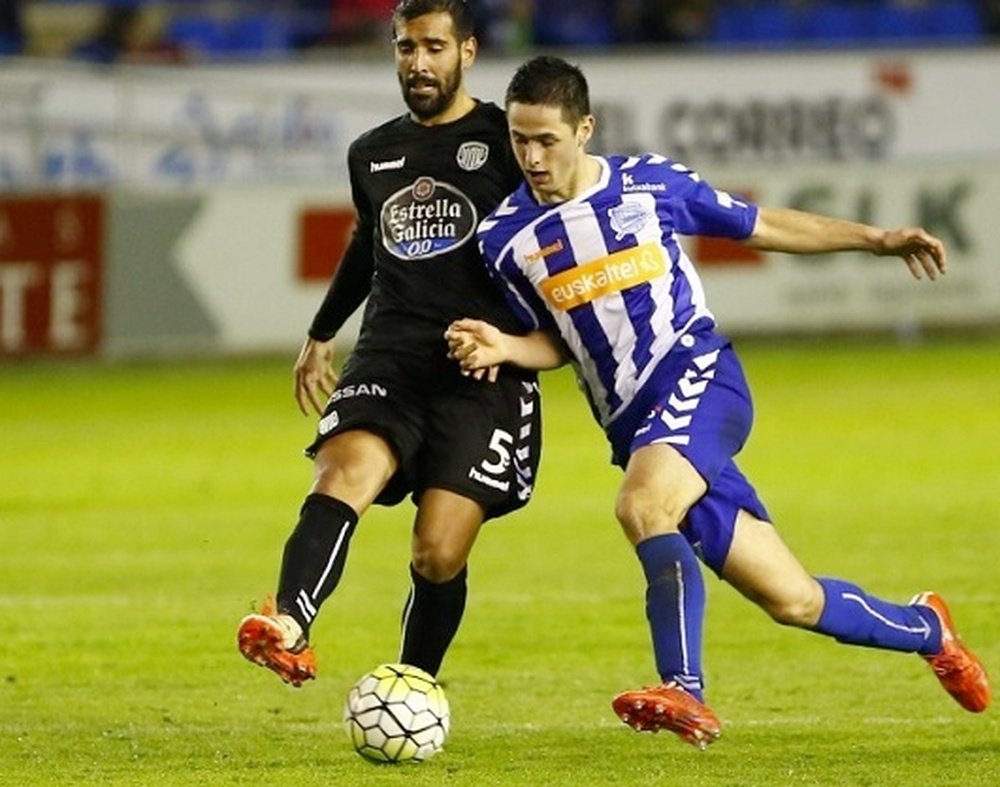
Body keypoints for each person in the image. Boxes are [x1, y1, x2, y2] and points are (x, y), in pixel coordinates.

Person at [445, 55, 990, 748]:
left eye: (546, 139)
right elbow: (560, 339)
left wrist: (876, 239)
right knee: (792, 598)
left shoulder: (649, 185)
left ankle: (683, 688)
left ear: (585, 128)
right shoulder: (504, 240)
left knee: (642, 507)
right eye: (519, 140)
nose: (531, 156)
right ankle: (929, 629)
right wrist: (504, 346)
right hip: (637, 429)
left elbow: (761, 225)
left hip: (700, 377)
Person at [237, 0, 541, 688]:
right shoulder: (372, 151)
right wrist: (320, 332)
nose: (418, 62)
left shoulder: (506, 140)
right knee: (343, 471)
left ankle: (412, 685)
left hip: (481, 368)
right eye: (406, 47)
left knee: (437, 552)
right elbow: (366, 245)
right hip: (390, 352)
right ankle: (288, 621)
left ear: (467, 52)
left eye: (434, 47)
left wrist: (539, 340)